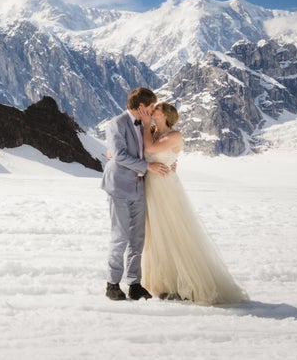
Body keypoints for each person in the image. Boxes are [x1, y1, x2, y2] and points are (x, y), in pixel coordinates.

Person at [139, 102, 249, 305]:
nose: (153, 111)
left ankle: (184, 283)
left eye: (157, 109)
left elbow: (151, 148)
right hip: (150, 187)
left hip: (165, 188)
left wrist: (146, 124)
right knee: (156, 233)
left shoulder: (174, 135)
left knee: (173, 231)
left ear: (166, 115)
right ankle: (165, 283)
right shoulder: (152, 131)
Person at [100, 87, 170, 301]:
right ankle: (112, 284)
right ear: (141, 107)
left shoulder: (144, 125)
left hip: (139, 187)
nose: (152, 110)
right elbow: (119, 155)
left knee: (137, 238)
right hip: (119, 186)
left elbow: (151, 150)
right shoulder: (116, 124)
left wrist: (168, 162)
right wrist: (147, 167)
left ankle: (134, 283)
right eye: (150, 107)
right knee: (120, 236)